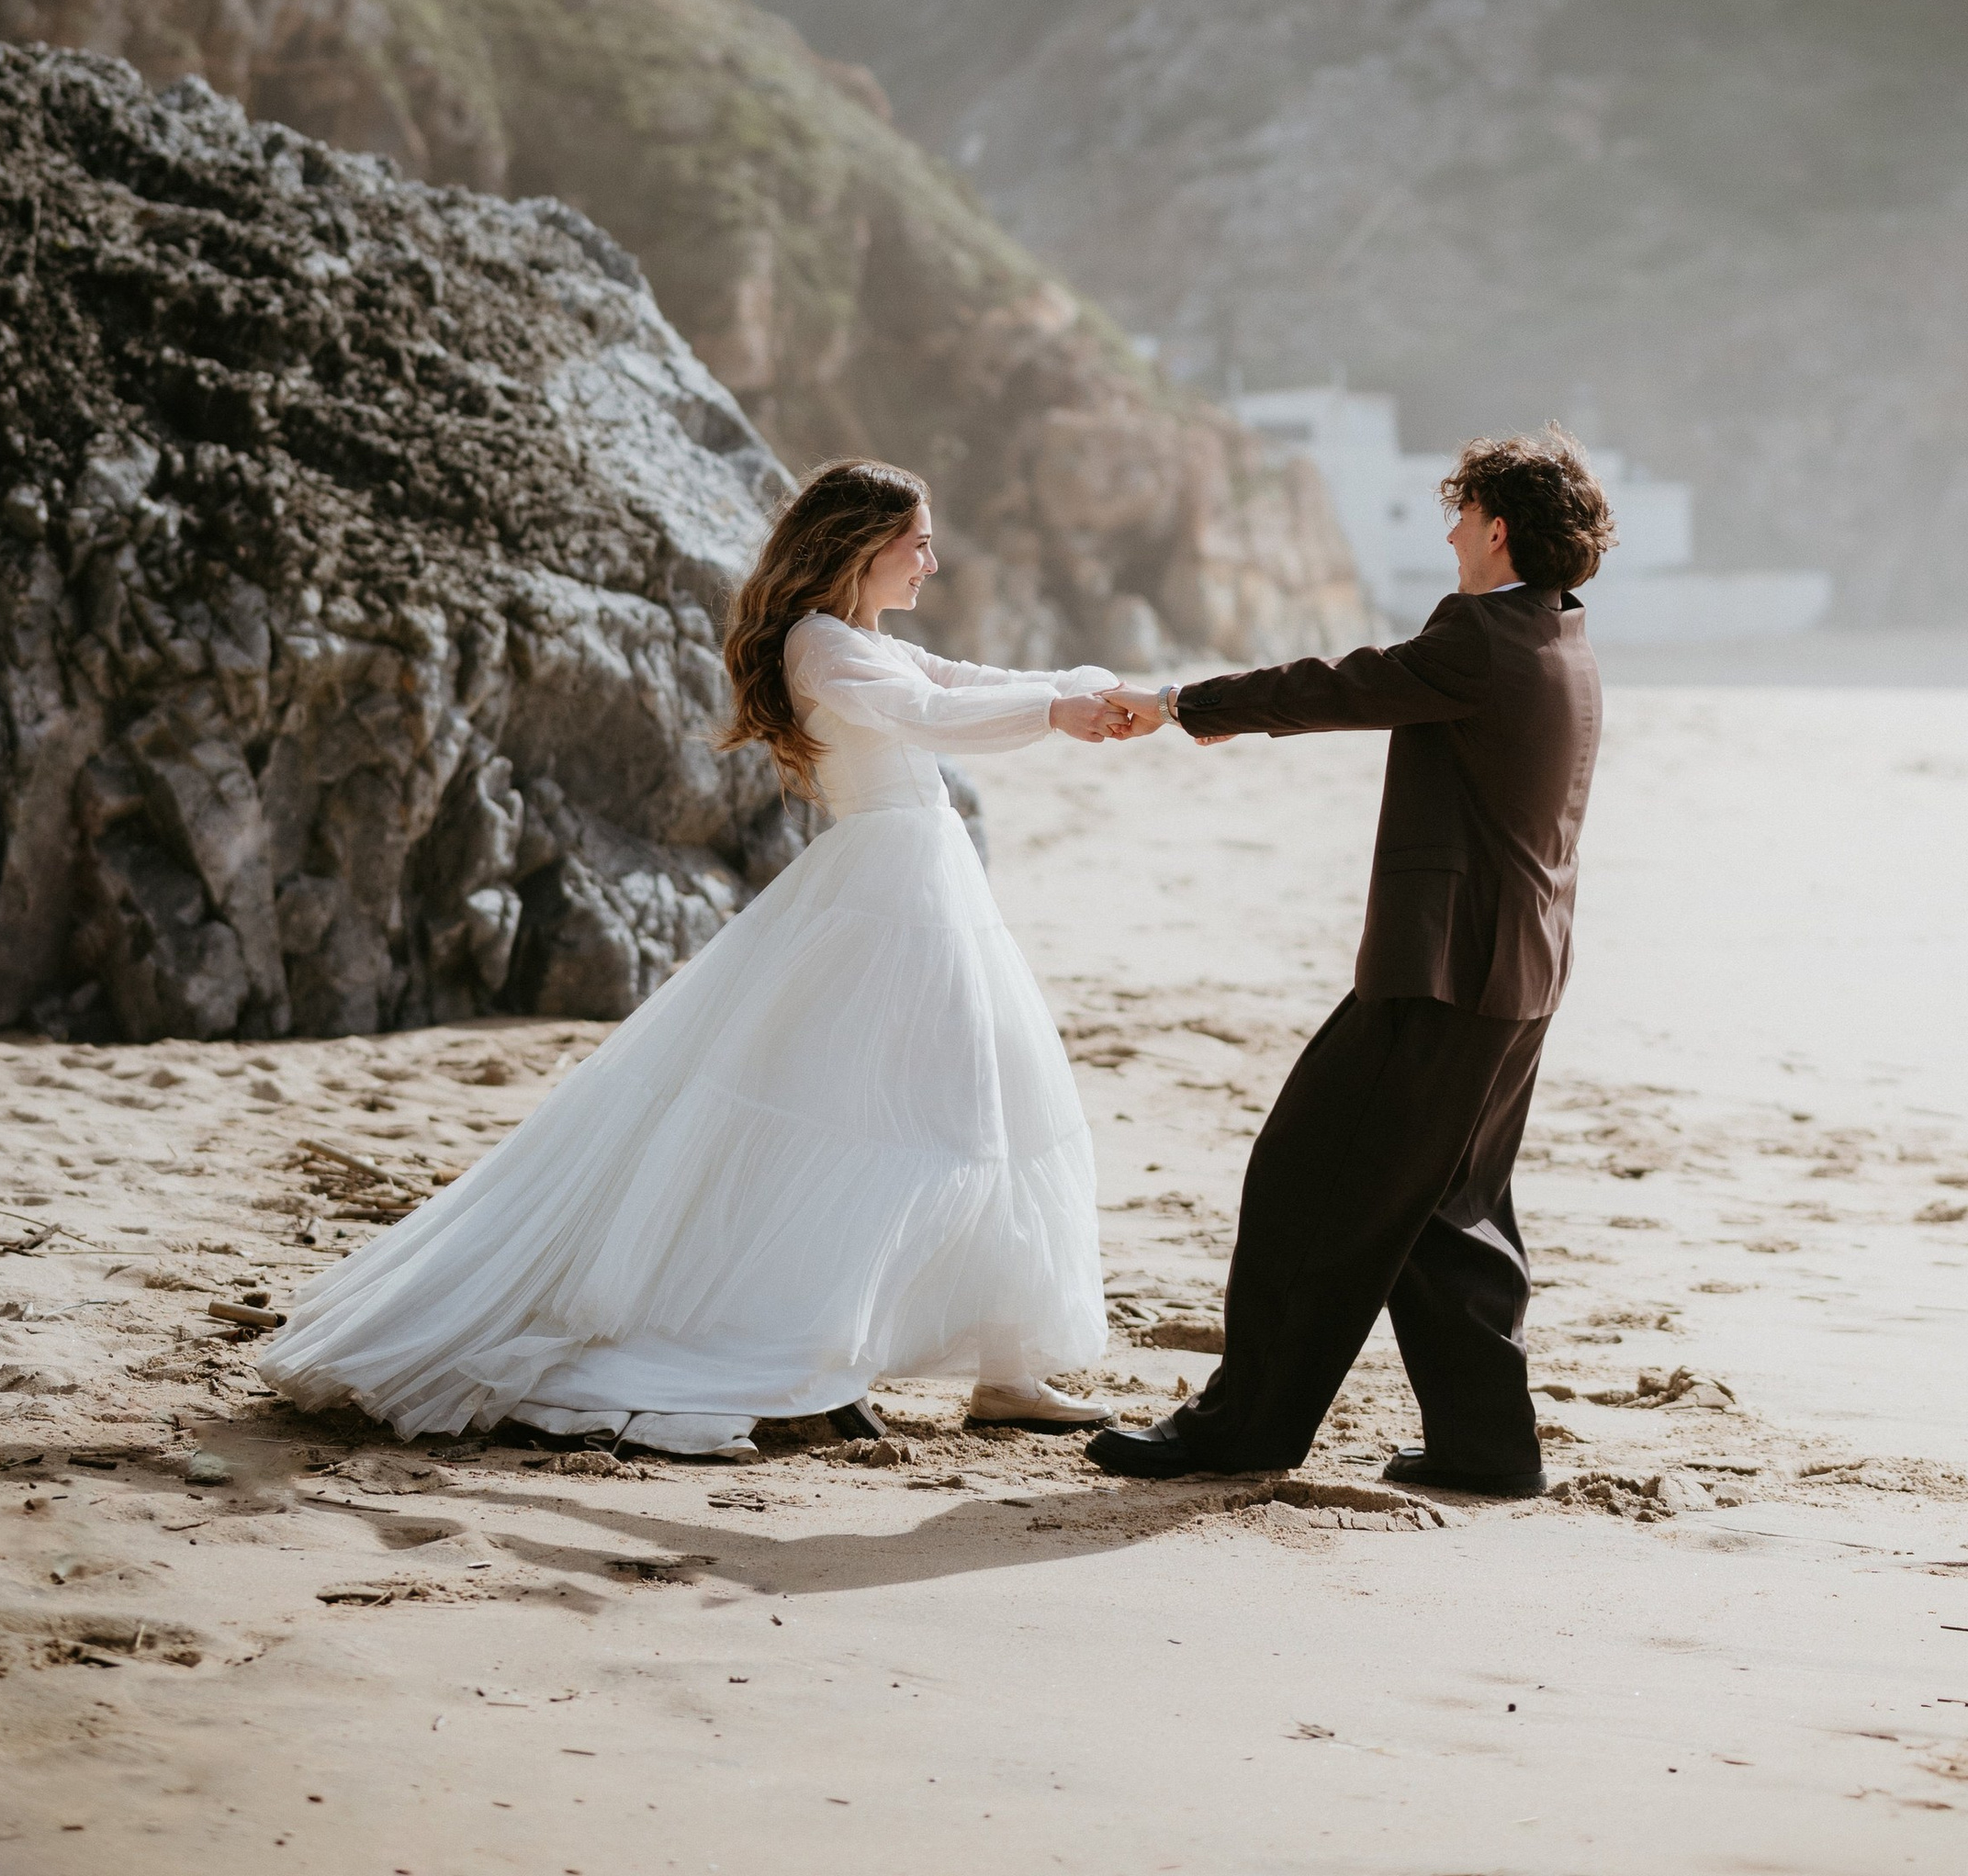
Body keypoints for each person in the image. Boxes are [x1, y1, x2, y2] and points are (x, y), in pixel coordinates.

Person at [262, 458, 1153, 1463]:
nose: (932, 561)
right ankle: (829, 1348)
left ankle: (1006, 1365)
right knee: (927, 1110)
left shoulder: (860, 636)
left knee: (993, 1098)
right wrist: (1059, 712)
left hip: (925, 880)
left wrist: (1089, 690)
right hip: (890, 890)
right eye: (917, 542)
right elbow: (931, 718)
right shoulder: (821, 644)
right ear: (861, 545)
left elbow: (960, 682)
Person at [1086, 427, 1611, 1498]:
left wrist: (1191, 704)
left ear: (1497, 526)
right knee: (1442, 1212)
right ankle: (1485, 1446)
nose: (1450, 527)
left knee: (1304, 1186)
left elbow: (1344, 682)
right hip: (1518, 975)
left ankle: (1242, 1427)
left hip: (1442, 974)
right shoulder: (1562, 633)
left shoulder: (1482, 631)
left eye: (1460, 510)